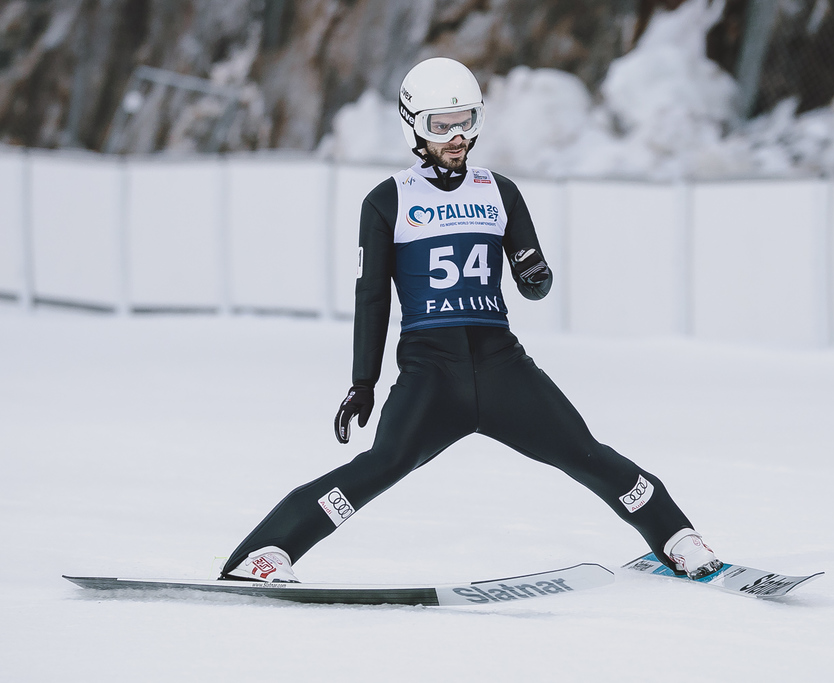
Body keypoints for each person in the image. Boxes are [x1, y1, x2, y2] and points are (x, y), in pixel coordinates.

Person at [219, 57, 721, 584]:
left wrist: (535, 274)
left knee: (585, 453)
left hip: (502, 365)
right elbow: (372, 299)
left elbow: (534, 280)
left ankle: (676, 537)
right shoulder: (388, 200)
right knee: (381, 465)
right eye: (441, 125)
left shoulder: (499, 191)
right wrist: (362, 383)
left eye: (467, 121)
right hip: (431, 372)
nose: (457, 137)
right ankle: (265, 553)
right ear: (414, 126)